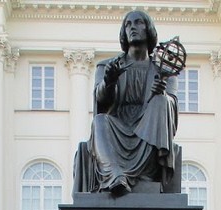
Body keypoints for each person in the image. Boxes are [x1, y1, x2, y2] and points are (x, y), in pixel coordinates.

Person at [76, 10, 178, 196]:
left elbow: (172, 108)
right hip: (117, 129)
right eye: (128, 25)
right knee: (99, 121)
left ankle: (146, 173)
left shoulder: (164, 69)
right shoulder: (108, 66)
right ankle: (115, 175)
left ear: (149, 30)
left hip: (148, 130)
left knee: (162, 102)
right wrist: (109, 81)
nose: (132, 28)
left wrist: (160, 92)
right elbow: (101, 103)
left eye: (138, 23)